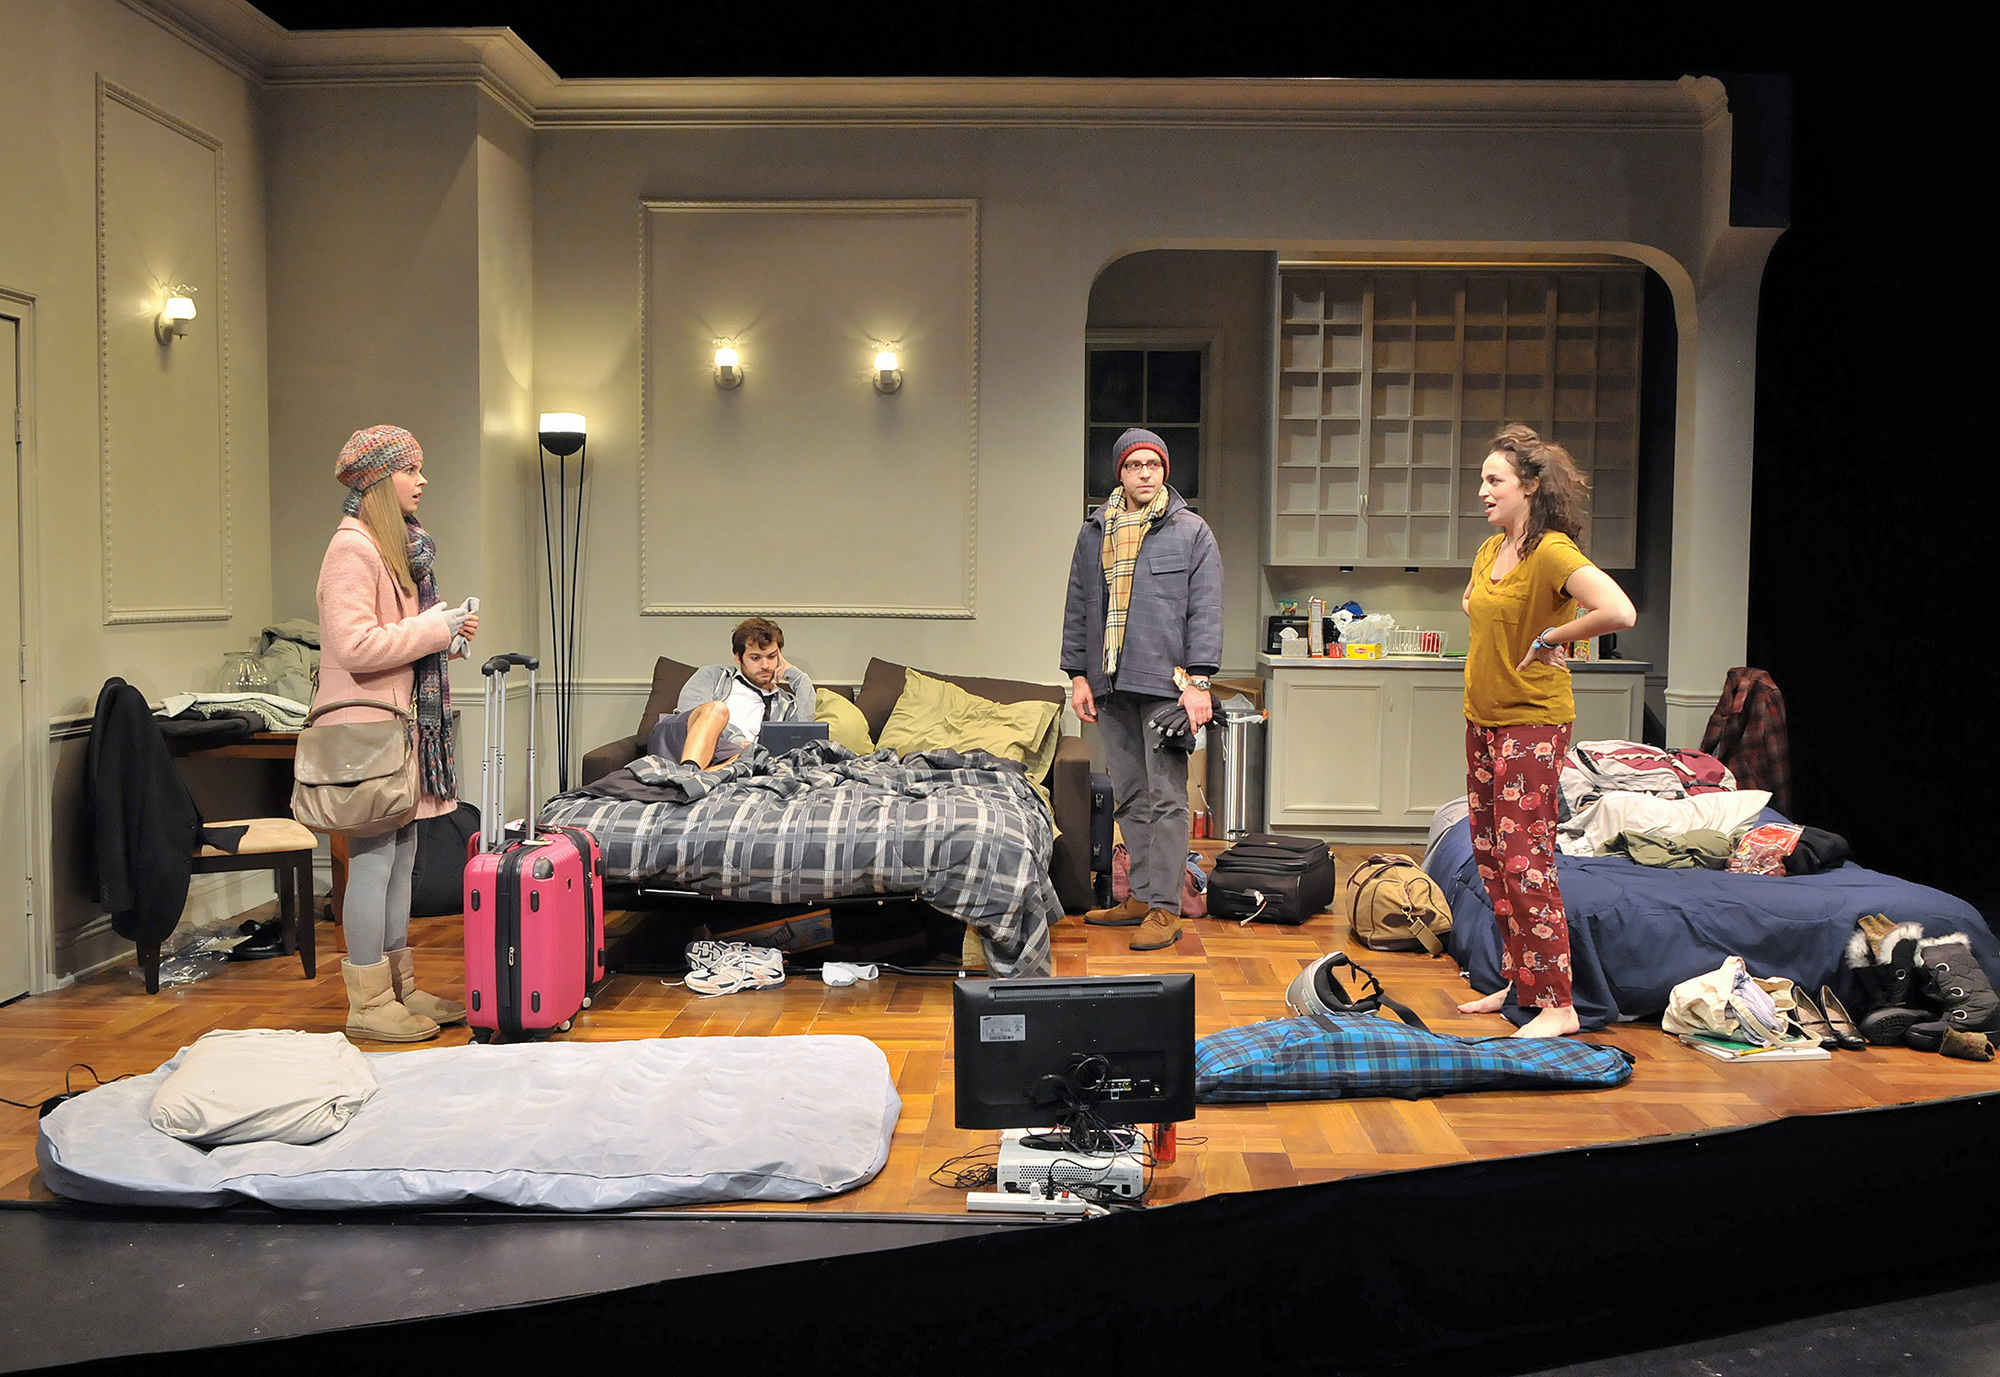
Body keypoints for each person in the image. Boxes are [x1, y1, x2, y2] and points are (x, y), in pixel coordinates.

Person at [1457, 423, 1636, 1038]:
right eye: (1483, 480)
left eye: (1494, 481)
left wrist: (1554, 636)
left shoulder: (1553, 551)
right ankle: (1520, 981)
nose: (1483, 491)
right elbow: (1477, 603)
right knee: (1491, 857)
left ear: (1529, 486)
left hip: (1531, 721)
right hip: (1482, 718)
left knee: (1524, 859)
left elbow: (1618, 610)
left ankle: (1559, 1004)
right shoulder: (1490, 551)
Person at [316, 425, 478, 1043]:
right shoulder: (351, 549)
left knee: (400, 858)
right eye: (411, 470)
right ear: (382, 480)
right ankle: (369, 1002)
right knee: (373, 861)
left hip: (395, 728)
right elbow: (355, 646)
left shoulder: (395, 549)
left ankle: (399, 989)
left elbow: (394, 641)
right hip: (365, 732)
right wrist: (435, 628)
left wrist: (447, 635)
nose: (422, 480)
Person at [1062, 428, 1223, 952]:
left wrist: (1199, 683)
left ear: (1165, 471)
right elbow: (1079, 605)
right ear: (1121, 473)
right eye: (1135, 466)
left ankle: (1165, 908)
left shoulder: (1191, 531)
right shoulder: (1095, 531)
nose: (1145, 474)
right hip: (1111, 682)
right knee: (1129, 795)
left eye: (1154, 465)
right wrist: (1078, 675)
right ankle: (1140, 896)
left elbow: (1206, 610)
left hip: (1166, 686)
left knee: (1167, 798)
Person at [647, 617, 815, 768]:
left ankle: (704, 777)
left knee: (760, 761)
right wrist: (737, 740)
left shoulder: (786, 704)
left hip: (736, 759)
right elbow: (691, 712)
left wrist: (801, 679)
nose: (765, 665)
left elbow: (801, 739)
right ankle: (690, 771)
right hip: (686, 743)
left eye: (771, 656)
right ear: (738, 657)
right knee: (716, 709)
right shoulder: (714, 676)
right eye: (755, 658)